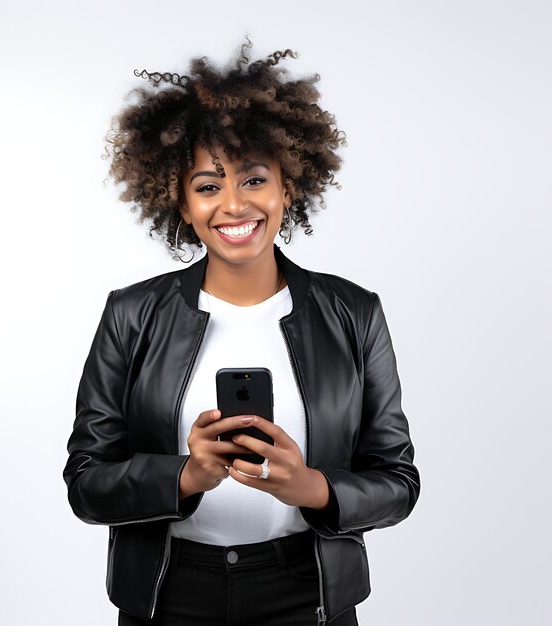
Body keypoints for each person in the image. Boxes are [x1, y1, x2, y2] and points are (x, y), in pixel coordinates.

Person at [63, 39, 420, 626]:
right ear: (179, 201)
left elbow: (398, 481)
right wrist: (185, 476)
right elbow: (87, 484)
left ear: (288, 186)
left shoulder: (354, 313)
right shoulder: (131, 314)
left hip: (309, 596)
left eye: (254, 180)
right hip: (167, 596)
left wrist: (312, 488)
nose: (233, 205)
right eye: (207, 185)